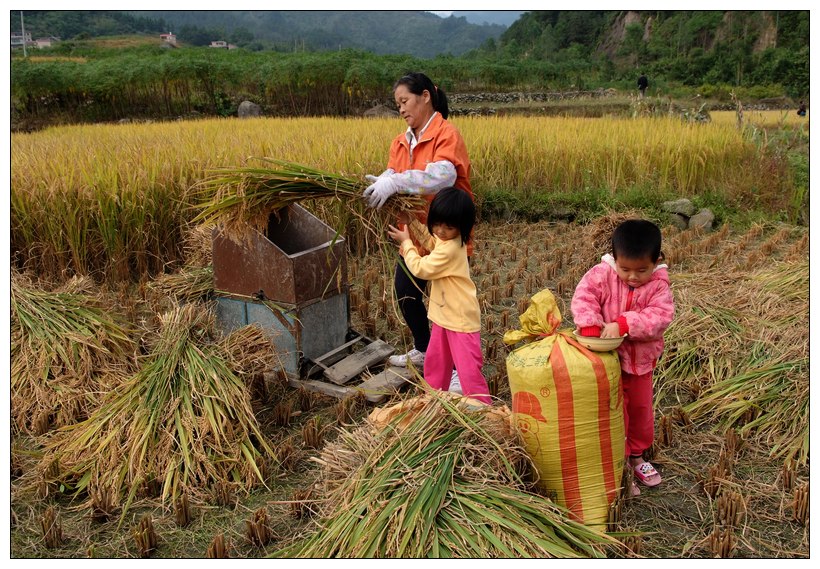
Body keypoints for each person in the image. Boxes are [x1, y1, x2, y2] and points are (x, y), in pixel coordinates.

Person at [363, 72, 473, 393]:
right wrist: (382, 182)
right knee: (406, 293)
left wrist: (396, 181)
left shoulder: (445, 134)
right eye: (397, 104)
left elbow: (441, 176)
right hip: (412, 235)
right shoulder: (400, 141)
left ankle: (453, 370)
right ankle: (425, 350)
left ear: (425, 96)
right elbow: (394, 172)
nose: (401, 109)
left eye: (404, 101)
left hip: (444, 235)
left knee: (446, 306)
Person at [570, 219, 675, 495]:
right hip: (607, 361)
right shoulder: (601, 275)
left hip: (640, 364)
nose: (632, 277)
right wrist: (590, 324)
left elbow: (660, 318)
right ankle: (619, 462)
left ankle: (637, 455)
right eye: (625, 269)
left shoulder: (659, 287)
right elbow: (584, 297)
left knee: (640, 410)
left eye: (642, 270)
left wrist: (624, 324)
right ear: (614, 259)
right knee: (614, 412)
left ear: (656, 261)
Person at [386, 188, 490, 404]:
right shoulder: (447, 240)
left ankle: (483, 409)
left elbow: (420, 268)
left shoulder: (451, 249)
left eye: (449, 227)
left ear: (462, 228)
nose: (441, 231)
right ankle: (433, 399)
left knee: (468, 370)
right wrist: (412, 222)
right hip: (444, 317)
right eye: (437, 224)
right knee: (436, 362)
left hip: (461, 321)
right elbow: (432, 241)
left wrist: (406, 243)